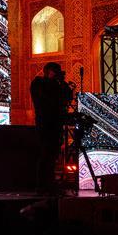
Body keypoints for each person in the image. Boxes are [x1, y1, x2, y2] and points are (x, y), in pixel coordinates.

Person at [30, 62, 72, 194]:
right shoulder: (39, 83)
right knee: (45, 154)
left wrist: (62, 82)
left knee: (53, 155)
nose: (57, 73)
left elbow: (68, 97)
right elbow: (44, 98)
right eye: (55, 71)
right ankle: (41, 185)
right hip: (45, 123)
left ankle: (50, 183)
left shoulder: (58, 85)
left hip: (56, 124)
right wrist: (55, 82)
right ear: (47, 71)